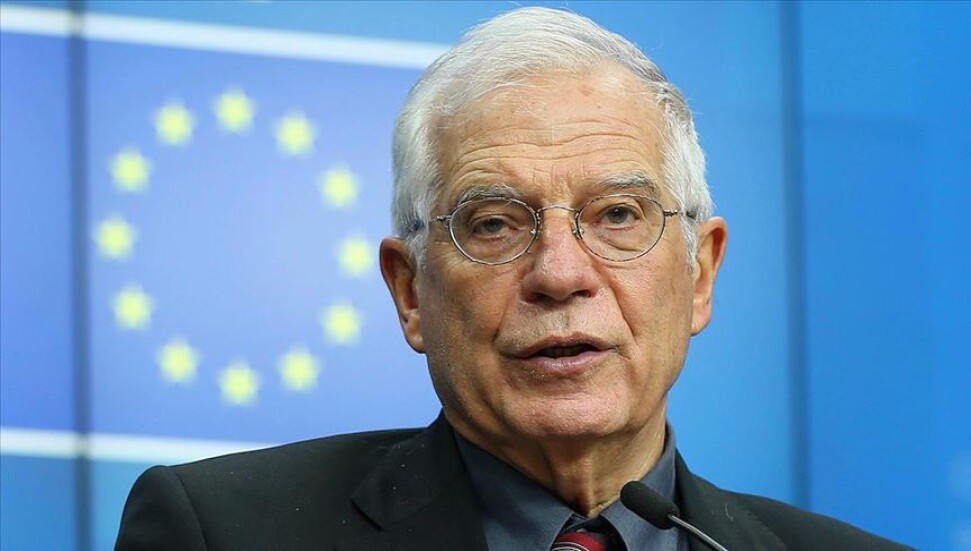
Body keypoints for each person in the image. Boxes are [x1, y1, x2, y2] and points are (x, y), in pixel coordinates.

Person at [116, 7, 909, 550]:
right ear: (409, 290)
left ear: (699, 272)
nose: (559, 274)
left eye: (618, 215)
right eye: (493, 223)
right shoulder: (225, 531)